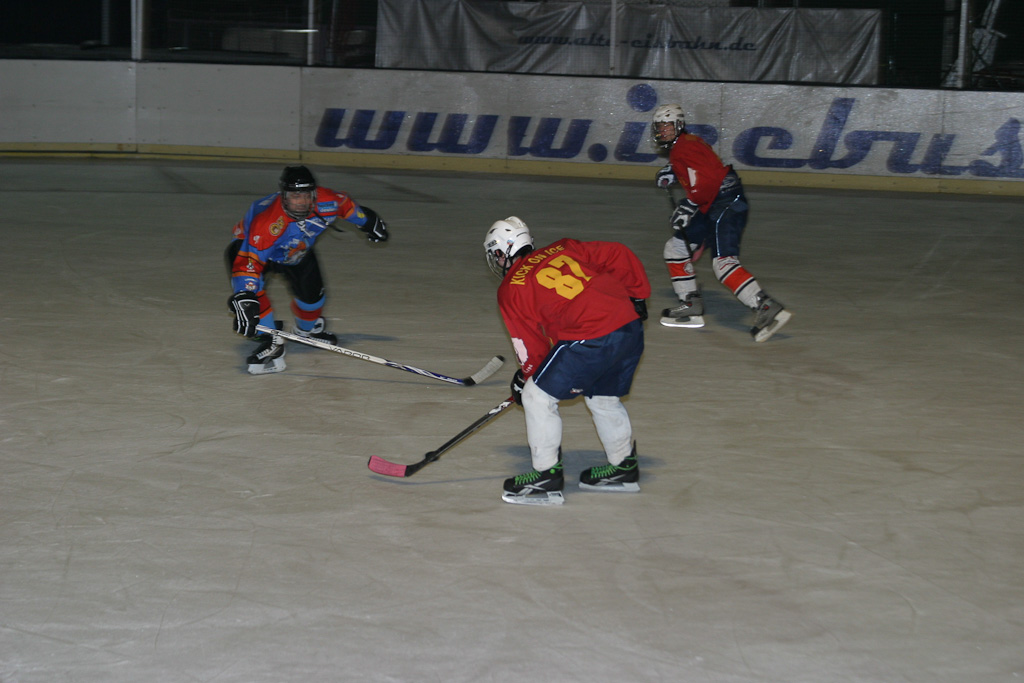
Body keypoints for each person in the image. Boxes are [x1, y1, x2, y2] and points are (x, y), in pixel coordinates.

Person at [484, 216, 651, 506]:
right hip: (628, 327)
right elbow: (618, 253)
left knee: (537, 397)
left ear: (502, 251)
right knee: (603, 399)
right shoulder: (563, 247)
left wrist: (528, 378)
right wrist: (637, 294)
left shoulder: (511, 288)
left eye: (496, 256)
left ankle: (545, 478)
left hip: (591, 335)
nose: (498, 262)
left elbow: (530, 345)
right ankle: (623, 467)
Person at [226, 165, 388, 374]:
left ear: (314, 193)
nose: (302, 201)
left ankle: (306, 331)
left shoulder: (326, 201)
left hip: (295, 251)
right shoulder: (267, 222)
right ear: (284, 196)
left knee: (313, 299)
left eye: (306, 195)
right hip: (249, 248)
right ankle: (271, 339)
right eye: (295, 196)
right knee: (252, 297)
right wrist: (245, 295)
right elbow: (249, 264)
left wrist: (368, 221)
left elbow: (345, 206)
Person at [652, 104, 792, 342]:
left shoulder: (685, 147)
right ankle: (691, 305)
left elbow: (708, 181)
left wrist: (688, 205)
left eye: (667, 126)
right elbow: (704, 167)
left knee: (723, 263)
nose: (662, 131)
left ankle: (766, 306)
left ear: (679, 126)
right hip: (711, 203)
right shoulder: (685, 145)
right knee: (675, 248)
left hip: (725, 203)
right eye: (659, 127)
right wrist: (674, 171)